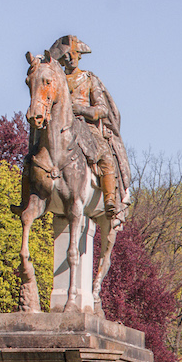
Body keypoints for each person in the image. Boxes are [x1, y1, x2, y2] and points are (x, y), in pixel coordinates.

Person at [48, 35, 130, 223]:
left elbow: (102, 109)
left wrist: (82, 110)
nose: (69, 58)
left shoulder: (89, 78)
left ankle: (110, 198)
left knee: (105, 155)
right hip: (60, 125)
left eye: (72, 54)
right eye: (65, 56)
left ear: (79, 55)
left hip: (85, 125)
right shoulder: (56, 79)